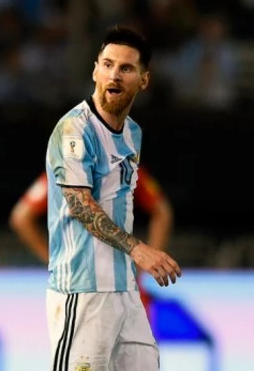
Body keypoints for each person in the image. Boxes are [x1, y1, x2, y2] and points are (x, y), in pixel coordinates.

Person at [43, 27, 181, 371]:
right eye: (107, 65)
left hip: (125, 289)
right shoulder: (74, 129)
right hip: (82, 290)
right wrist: (139, 249)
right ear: (95, 71)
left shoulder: (133, 133)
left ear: (143, 81)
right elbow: (80, 205)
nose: (114, 75)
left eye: (126, 68)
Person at [10, 166, 172, 309]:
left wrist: (54, 262)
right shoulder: (125, 168)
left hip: (83, 282)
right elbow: (162, 211)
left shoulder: (63, 172)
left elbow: (21, 217)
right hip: (115, 282)